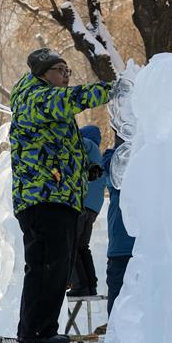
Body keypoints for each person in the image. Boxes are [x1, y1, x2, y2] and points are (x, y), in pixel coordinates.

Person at [10, 48, 110, 343]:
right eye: (60, 69)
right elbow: (70, 100)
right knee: (47, 267)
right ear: (42, 73)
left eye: (68, 71)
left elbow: (63, 147)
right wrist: (111, 89)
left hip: (59, 197)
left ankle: (40, 328)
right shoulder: (35, 96)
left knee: (55, 266)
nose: (66, 75)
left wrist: (86, 170)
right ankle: (37, 332)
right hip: (44, 197)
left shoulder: (49, 105)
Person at [67, 125, 105, 297]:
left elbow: (75, 143)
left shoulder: (88, 144)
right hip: (93, 208)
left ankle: (79, 284)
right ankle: (90, 284)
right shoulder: (98, 155)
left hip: (81, 204)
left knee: (70, 245)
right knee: (82, 246)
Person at [102, 140, 135, 316]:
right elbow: (108, 164)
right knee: (118, 305)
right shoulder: (116, 172)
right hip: (122, 250)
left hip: (131, 249)